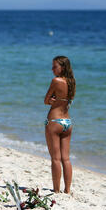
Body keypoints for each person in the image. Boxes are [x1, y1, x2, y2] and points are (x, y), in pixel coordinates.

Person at [44, 56, 76, 194]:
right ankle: (67, 190)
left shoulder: (56, 81)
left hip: (55, 121)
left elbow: (46, 100)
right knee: (66, 159)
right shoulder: (72, 82)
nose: (52, 69)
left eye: (55, 66)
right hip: (67, 122)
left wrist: (52, 100)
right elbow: (69, 100)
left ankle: (56, 191)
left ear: (62, 67)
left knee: (55, 159)